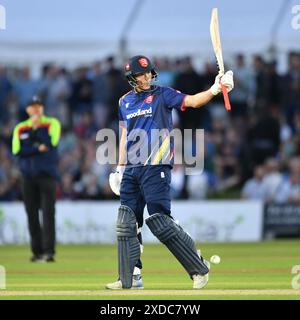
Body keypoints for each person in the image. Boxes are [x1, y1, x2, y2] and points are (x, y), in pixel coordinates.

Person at [106, 55, 234, 289]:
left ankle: (199, 268)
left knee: (160, 221)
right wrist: (119, 168)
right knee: (127, 223)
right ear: (131, 78)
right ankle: (132, 276)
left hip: (157, 166)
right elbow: (124, 135)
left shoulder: (163, 94)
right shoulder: (124, 102)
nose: (146, 77)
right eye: (141, 74)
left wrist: (216, 88)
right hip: (132, 170)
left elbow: (194, 101)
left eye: (148, 73)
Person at [12, 96, 61, 262]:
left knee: (48, 214)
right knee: (31, 214)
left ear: (42, 108)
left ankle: (49, 252)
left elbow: (51, 143)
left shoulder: (52, 123)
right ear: (27, 110)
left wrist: (37, 129)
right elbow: (17, 151)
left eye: (38, 106)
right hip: (27, 177)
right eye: (33, 107)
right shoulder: (20, 127)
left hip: (47, 175)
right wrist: (37, 147)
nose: (36, 110)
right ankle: (37, 251)